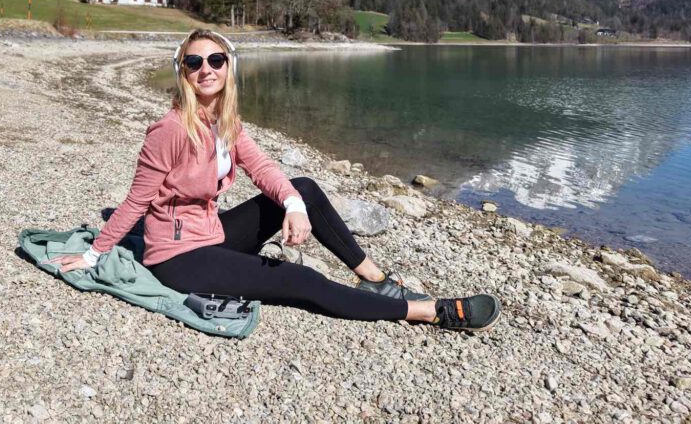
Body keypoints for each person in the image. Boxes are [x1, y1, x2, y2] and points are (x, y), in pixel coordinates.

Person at [50, 29, 501, 330]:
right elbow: (135, 203)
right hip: (178, 257)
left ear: (229, 66)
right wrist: (93, 255)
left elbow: (263, 168)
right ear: (183, 72)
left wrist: (293, 205)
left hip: (212, 235)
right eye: (194, 62)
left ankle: (373, 277)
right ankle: (425, 311)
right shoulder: (169, 130)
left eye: (216, 59)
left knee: (301, 187)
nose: (206, 68)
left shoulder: (226, 121)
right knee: (294, 280)